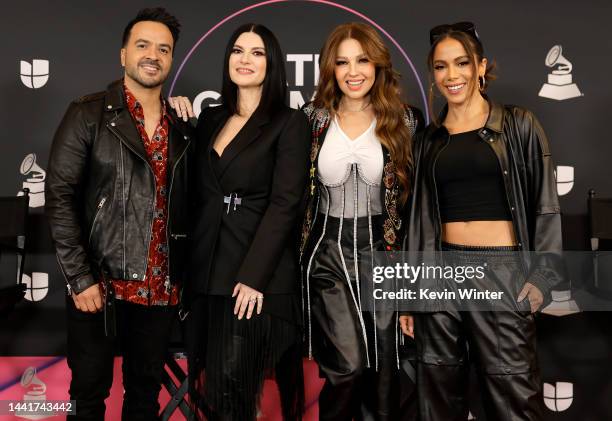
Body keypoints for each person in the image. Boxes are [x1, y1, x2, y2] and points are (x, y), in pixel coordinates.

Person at [400, 22, 564, 420]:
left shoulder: (519, 124)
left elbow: (545, 205)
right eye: (441, 67)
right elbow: (418, 220)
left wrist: (542, 276)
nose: (451, 75)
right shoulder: (427, 140)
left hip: (502, 271)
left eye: (461, 64)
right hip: (439, 274)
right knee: (437, 395)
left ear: (480, 66)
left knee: (513, 395)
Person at [45, 7, 192, 420]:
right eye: (142, 45)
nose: (153, 55)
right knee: (88, 396)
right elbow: (59, 196)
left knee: (144, 398)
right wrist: (79, 278)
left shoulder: (181, 126)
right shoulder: (87, 114)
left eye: (164, 49)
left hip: (159, 291)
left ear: (171, 59)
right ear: (123, 54)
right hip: (100, 288)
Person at [170, 23, 310, 420]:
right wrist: (178, 116)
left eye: (257, 52)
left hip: (254, 278)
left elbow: (286, 204)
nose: (244, 59)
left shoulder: (288, 122)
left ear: (273, 64)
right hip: (207, 270)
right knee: (215, 389)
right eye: (237, 50)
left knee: (235, 386)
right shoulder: (210, 118)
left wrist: (253, 276)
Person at [299, 22, 423, 421]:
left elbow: (415, 204)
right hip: (327, 254)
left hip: (383, 255)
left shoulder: (405, 121)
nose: (354, 71)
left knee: (384, 373)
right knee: (348, 365)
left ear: (378, 65)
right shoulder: (311, 119)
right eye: (343, 62)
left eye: (363, 60)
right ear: (330, 69)